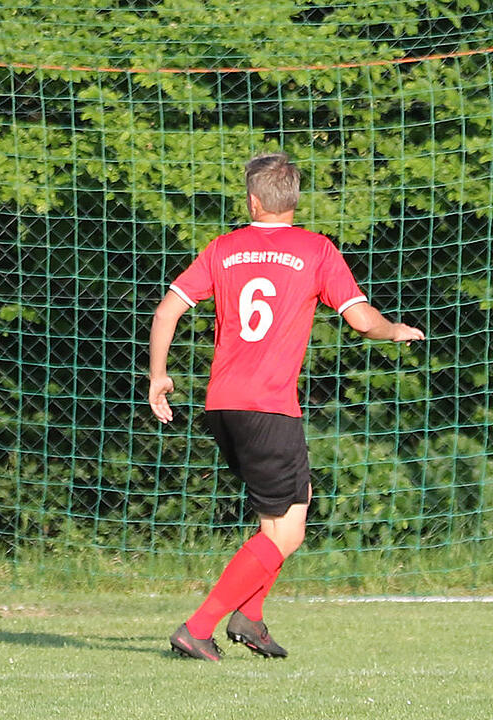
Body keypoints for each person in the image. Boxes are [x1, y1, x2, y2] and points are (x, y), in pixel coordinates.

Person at [147, 152, 424, 660]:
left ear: (252, 200)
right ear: (293, 199)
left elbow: (168, 308)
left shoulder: (223, 248)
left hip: (223, 406)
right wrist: (396, 330)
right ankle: (199, 626)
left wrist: (158, 376)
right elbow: (362, 320)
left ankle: (250, 618)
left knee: (290, 509)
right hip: (270, 407)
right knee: (288, 528)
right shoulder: (315, 250)